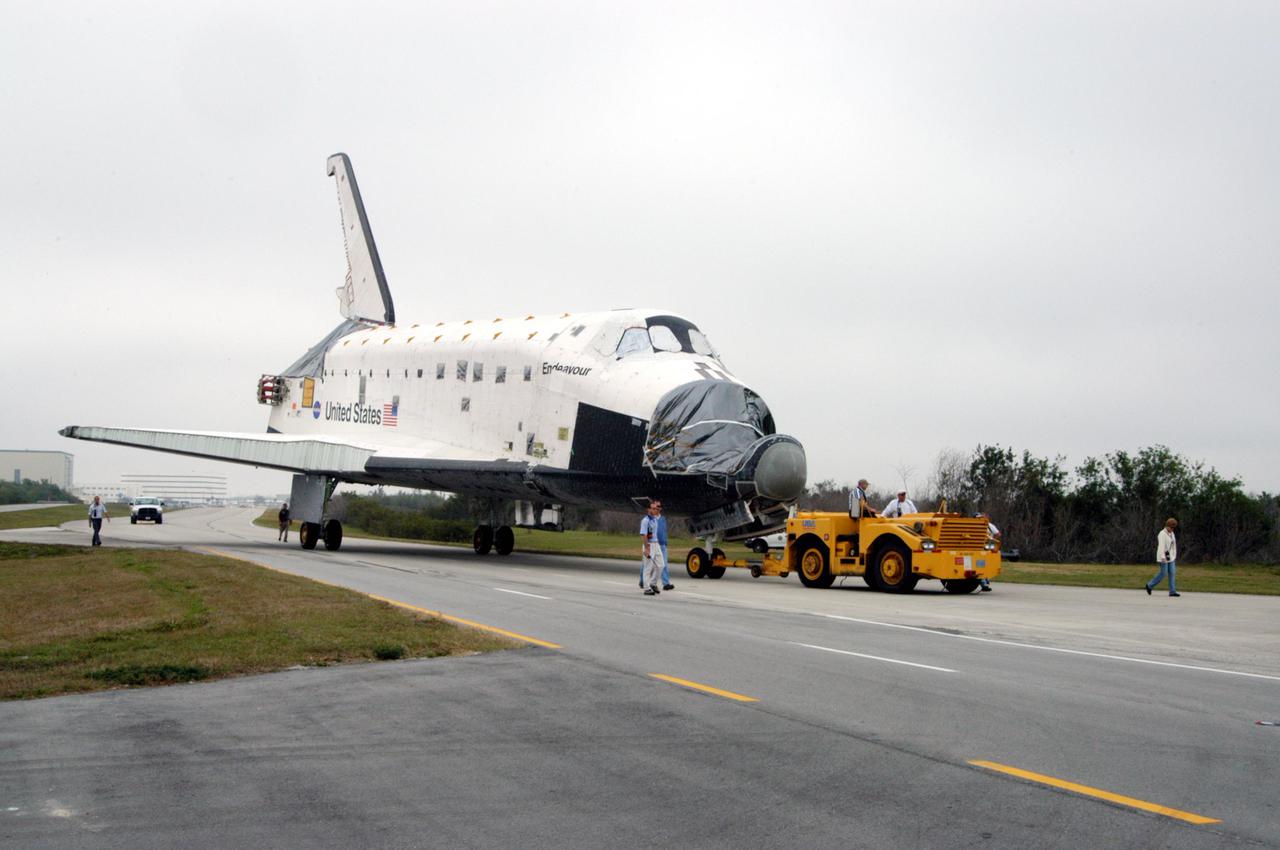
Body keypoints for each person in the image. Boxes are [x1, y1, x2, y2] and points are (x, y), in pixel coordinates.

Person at [1145, 518, 1180, 597]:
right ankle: (1149, 585)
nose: (1172, 529)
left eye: (1173, 528)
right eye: (1171, 527)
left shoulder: (1172, 533)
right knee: (1163, 573)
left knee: (1172, 572)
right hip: (1163, 556)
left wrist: (1174, 554)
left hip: (1171, 556)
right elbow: (1161, 546)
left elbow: (1173, 545)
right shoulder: (1162, 534)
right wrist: (1162, 557)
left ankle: (1172, 591)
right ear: (1167, 526)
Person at [639, 500, 665, 596]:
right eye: (653, 509)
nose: (656, 510)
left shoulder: (654, 519)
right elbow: (644, 535)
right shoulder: (645, 521)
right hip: (649, 544)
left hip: (656, 544)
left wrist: (658, 506)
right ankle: (646, 588)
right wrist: (647, 548)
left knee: (661, 565)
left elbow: (659, 513)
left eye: (656, 509)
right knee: (648, 567)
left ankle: (653, 583)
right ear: (648, 509)